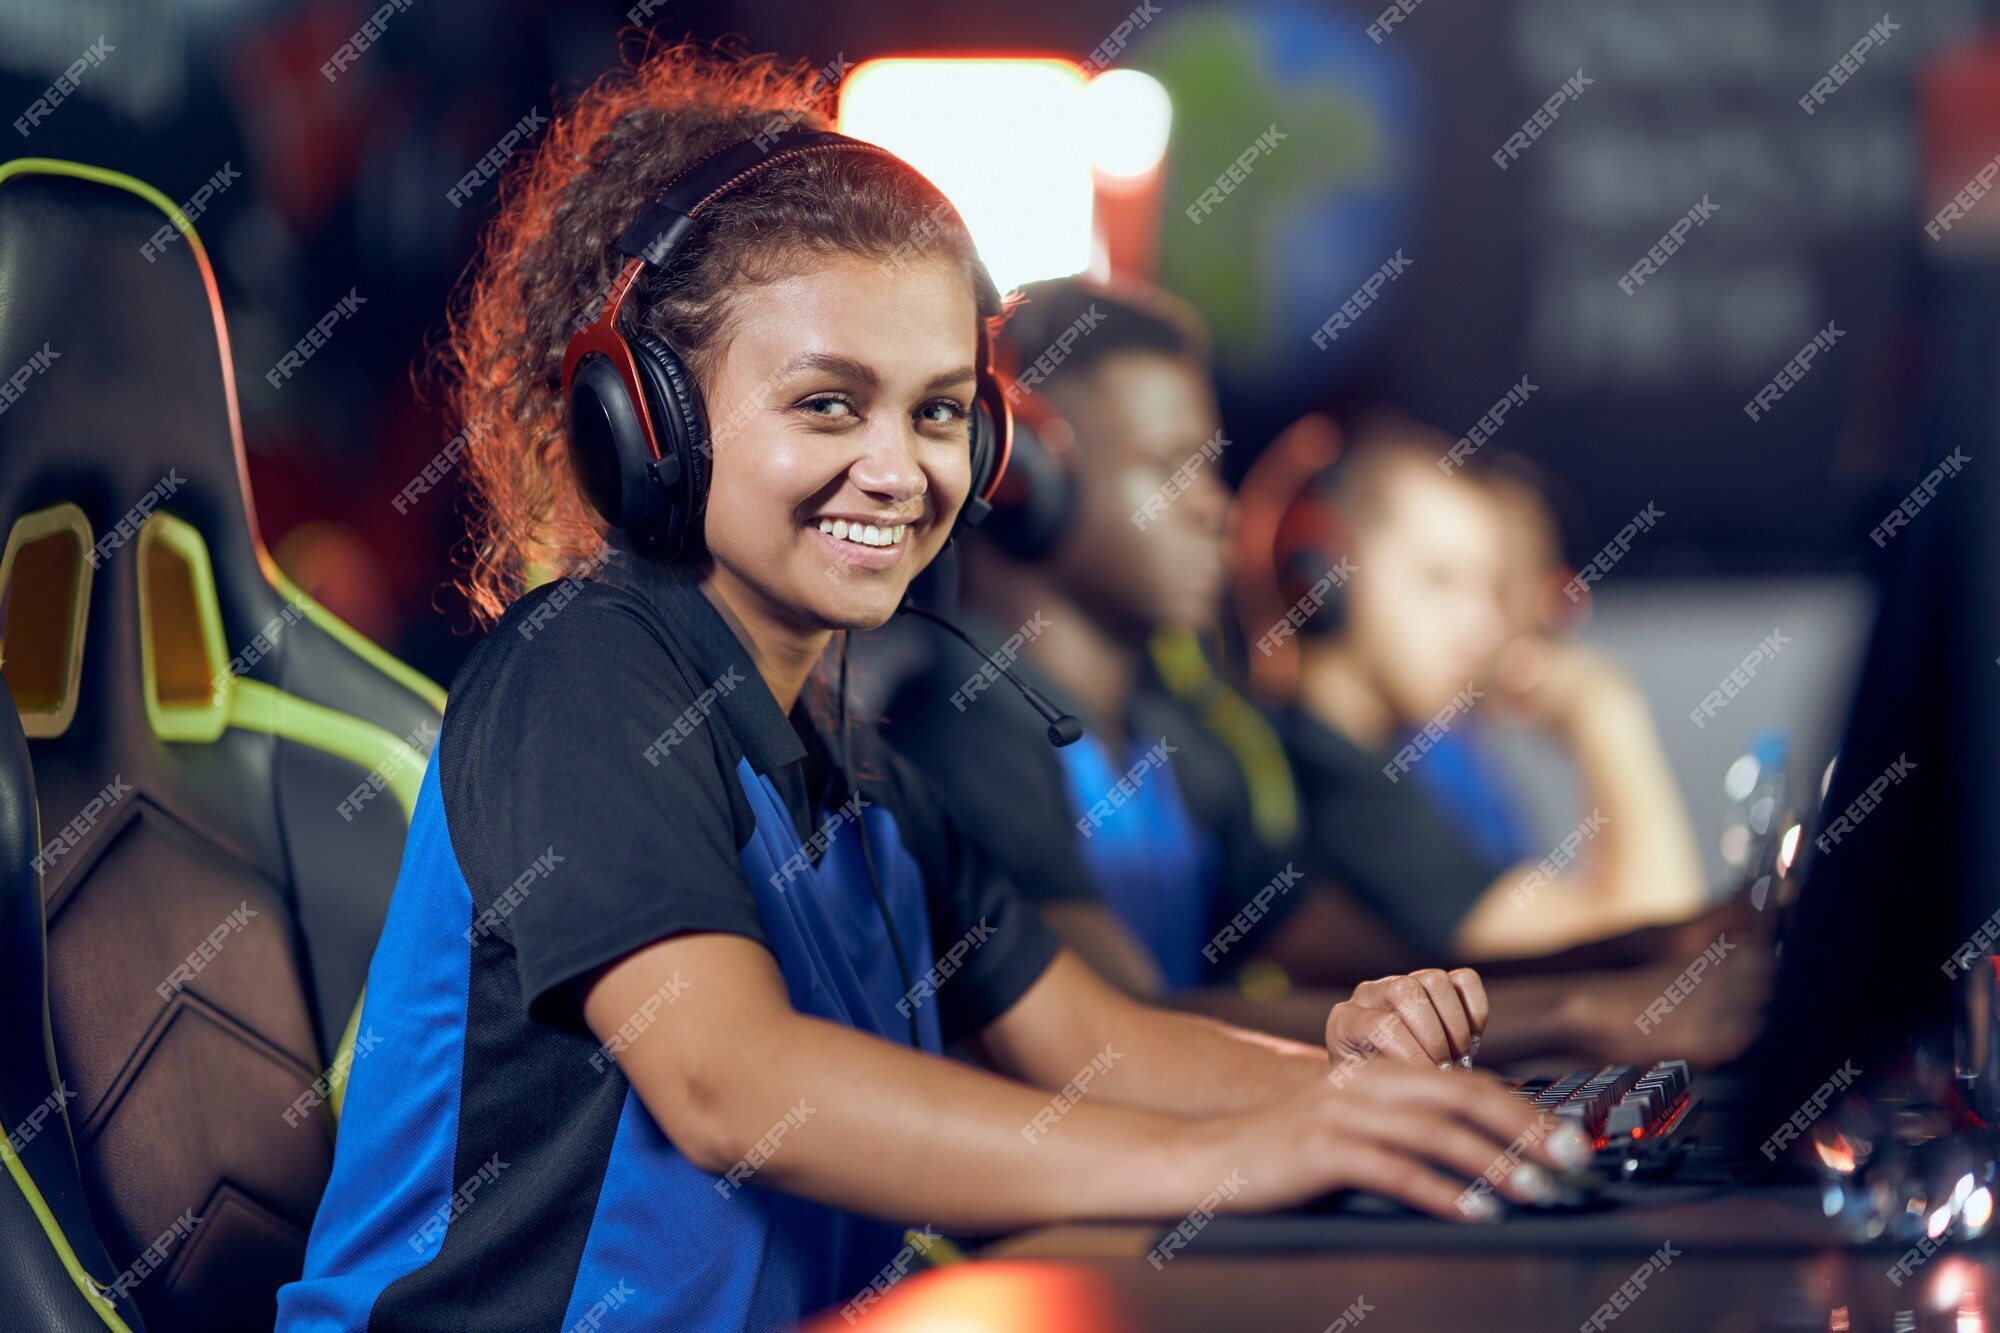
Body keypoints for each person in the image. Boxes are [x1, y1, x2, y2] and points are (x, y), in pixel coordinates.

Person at [275, 46, 1580, 1333]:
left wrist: (1340, 1080)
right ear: (649, 420)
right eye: (830, 405)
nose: (900, 471)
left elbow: (1100, 1047)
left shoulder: (863, 772)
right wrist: (1231, 1158)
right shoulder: (579, 678)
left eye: (942, 411)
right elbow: (730, 1081)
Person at [878, 277, 1766, 1068]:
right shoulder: (958, 728)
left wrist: (1657, 953)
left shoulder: (1178, 735)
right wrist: (1582, 1015)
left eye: (1211, 465)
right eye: (1166, 466)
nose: (1214, 505)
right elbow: (1115, 1032)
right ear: (1023, 472)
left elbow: (1369, 966)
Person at [1257, 417, 1712, 963]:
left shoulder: (1385, 762)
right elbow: (1654, 948)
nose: (1484, 629)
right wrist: (1604, 708)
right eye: (1440, 579)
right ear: (1328, 579)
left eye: (1487, 591)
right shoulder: (1331, 785)